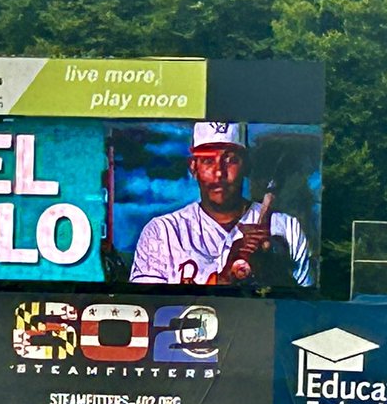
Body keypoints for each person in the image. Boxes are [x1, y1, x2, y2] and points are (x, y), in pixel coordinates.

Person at [129, 122, 312, 286]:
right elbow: (146, 307)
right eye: (208, 161)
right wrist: (224, 278)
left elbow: (306, 305)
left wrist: (272, 271)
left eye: (230, 160)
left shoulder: (287, 228)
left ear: (246, 165)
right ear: (193, 167)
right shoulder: (162, 232)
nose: (219, 173)